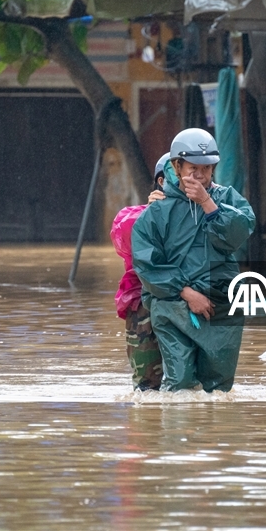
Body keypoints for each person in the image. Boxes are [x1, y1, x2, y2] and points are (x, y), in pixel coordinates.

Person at [132, 128, 256, 392]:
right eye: (192, 168)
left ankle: (210, 433)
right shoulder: (155, 212)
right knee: (180, 385)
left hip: (220, 305)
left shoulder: (226, 199)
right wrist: (186, 293)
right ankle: (178, 431)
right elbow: (147, 264)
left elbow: (239, 233)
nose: (200, 175)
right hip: (173, 306)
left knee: (219, 388)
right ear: (177, 167)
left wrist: (208, 203)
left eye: (207, 168)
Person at [110, 154, 168, 391]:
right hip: (144, 305)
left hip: (188, 303)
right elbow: (123, 237)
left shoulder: (202, 213)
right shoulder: (136, 216)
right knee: (147, 388)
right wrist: (152, 215)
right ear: (162, 182)